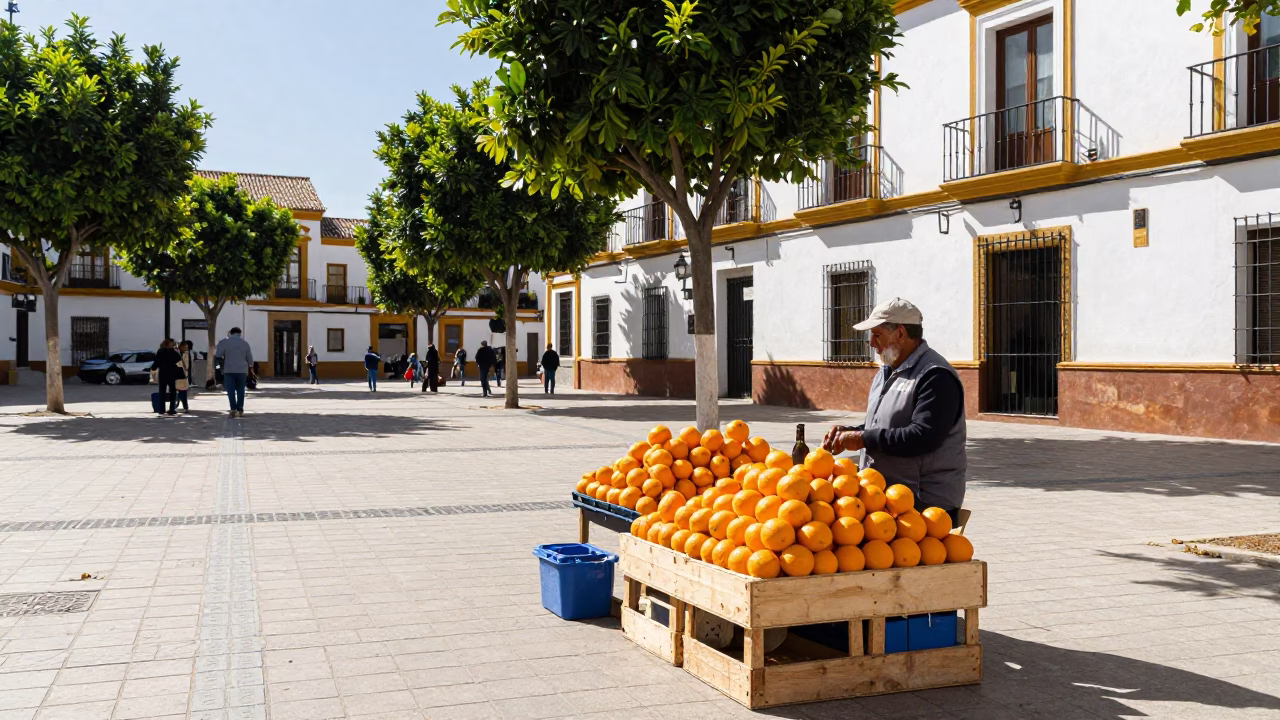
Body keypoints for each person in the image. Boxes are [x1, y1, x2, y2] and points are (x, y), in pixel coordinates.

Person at [821, 298, 967, 525]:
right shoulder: (887, 370)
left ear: (900, 333)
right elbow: (887, 426)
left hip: (923, 504)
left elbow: (923, 436)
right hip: (887, 498)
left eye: (877, 335)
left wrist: (862, 438)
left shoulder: (936, 376)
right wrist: (851, 432)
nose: (871, 343)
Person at [215, 327, 253, 418]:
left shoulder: (224, 342)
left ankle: (233, 408)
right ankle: (240, 409)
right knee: (241, 390)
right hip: (242, 370)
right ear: (240, 333)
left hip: (229, 369)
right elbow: (250, 359)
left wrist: (221, 367)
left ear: (230, 333)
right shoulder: (245, 343)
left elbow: (218, 355)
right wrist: (251, 367)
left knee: (230, 390)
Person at [150, 338, 183, 416]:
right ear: (169, 344)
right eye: (172, 343)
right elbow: (178, 358)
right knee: (173, 392)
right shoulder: (173, 352)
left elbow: (156, 362)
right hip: (171, 373)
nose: (173, 344)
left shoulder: (160, 351)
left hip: (163, 373)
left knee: (162, 392)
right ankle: (172, 409)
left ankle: (162, 409)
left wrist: (154, 368)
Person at [177, 340, 194, 413]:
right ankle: (182, 405)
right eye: (184, 347)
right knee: (180, 391)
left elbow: (188, 366)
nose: (186, 348)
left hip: (183, 375)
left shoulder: (187, 354)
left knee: (182, 391)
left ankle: (184, 405)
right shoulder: (178, 353)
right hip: (178, 374)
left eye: (186, 347)